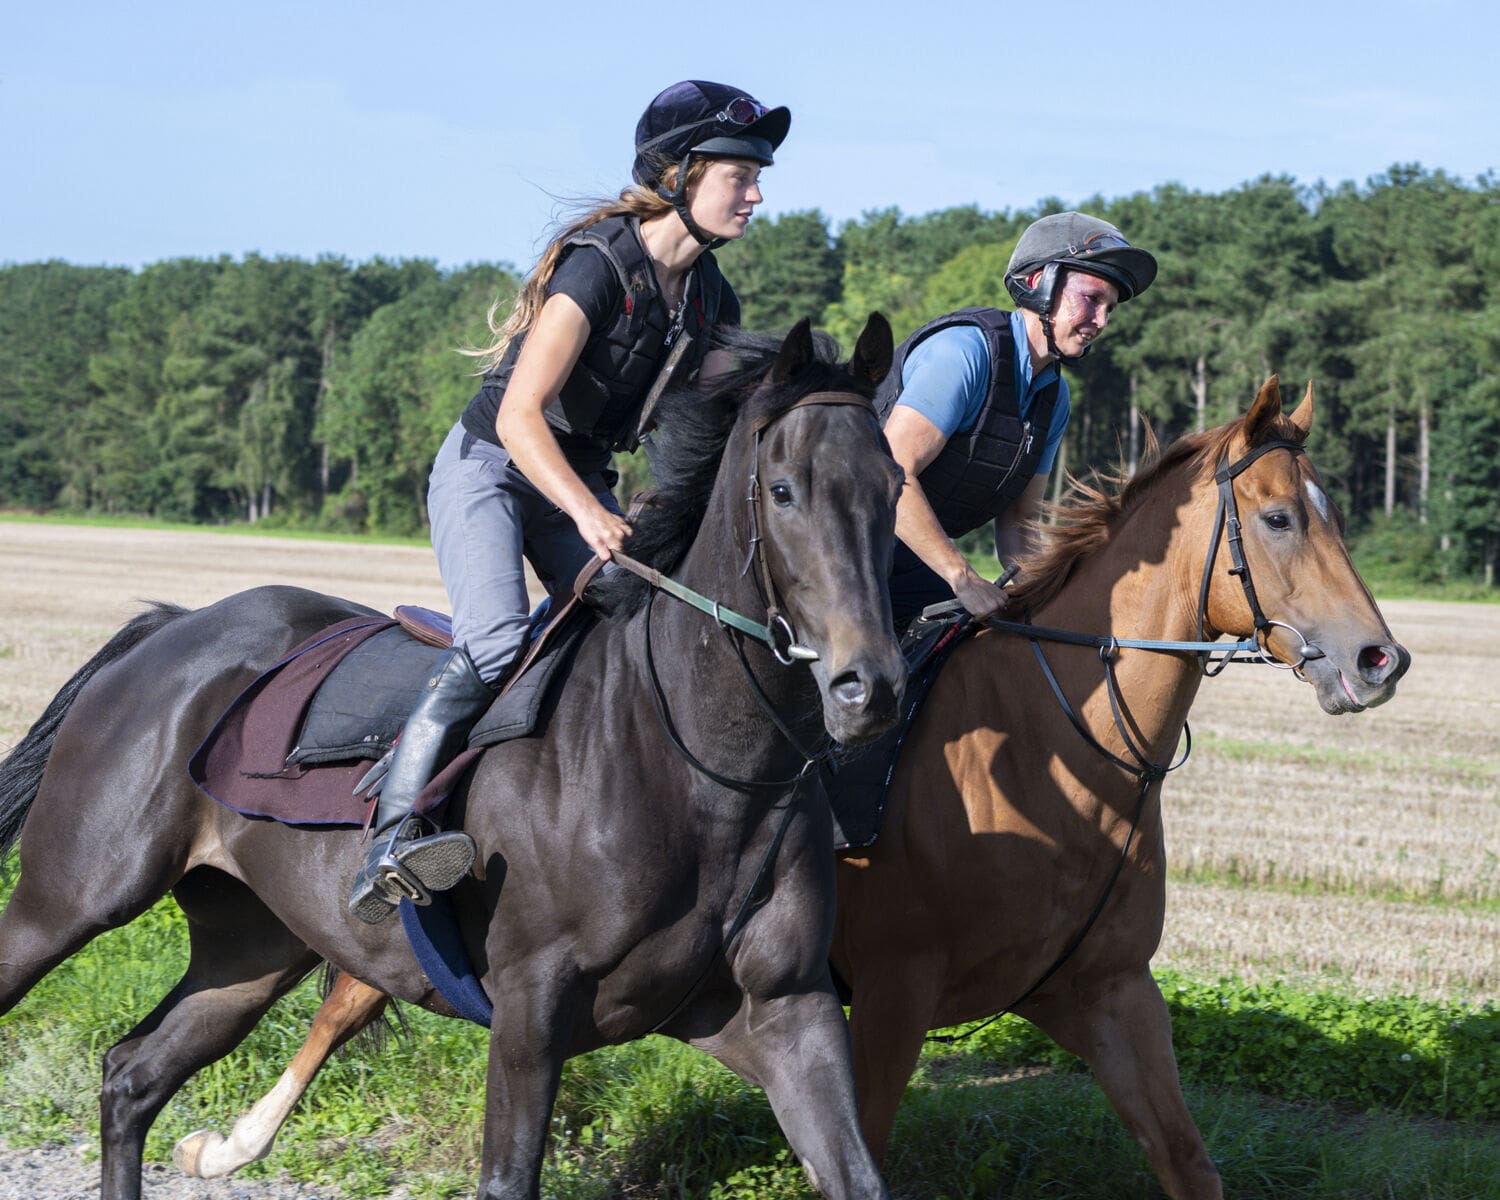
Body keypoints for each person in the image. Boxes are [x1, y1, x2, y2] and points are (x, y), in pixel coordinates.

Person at [348, 80, 791, 923]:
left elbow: (702, 431)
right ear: (678, 175)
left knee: (635, 619)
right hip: (492, 465)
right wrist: (590, 514)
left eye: (757, 177)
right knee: (495, 638)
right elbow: (519, 416)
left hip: (578, 476)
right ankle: (393, 836)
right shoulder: (598, 268)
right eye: (739, 175)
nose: (757, 194)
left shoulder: (710, 299)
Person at [874, 211, 1158, 632]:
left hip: (912, 566)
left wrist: (1043, 603)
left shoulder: (1053, 396)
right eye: (1092, 299)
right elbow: (890, 475)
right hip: (840, 553)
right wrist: (964, 578)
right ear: (1037, 283)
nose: (1101, 323)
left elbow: (1019, 520)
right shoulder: (963, 354)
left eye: (1110, 309)